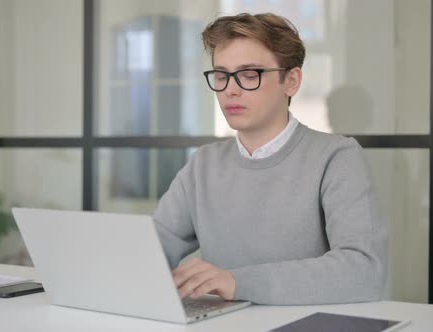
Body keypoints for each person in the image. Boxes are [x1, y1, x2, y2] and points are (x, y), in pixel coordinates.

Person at [152, 13, 388, 305]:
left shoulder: (336, 158)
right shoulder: (203, 164)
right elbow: (151, 250)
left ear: (291, 81)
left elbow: (364, 271)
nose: (230, 89)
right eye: (221, 75)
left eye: (249, 74)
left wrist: (237, 282)